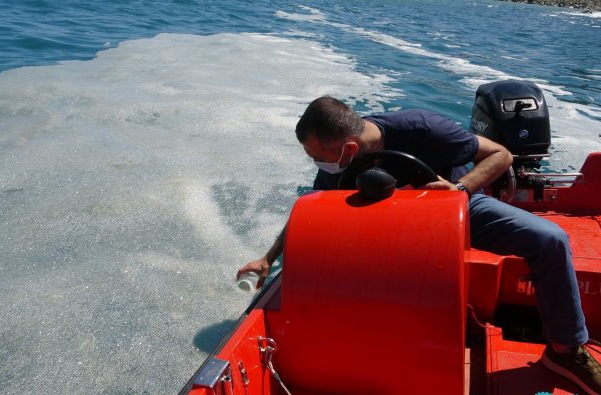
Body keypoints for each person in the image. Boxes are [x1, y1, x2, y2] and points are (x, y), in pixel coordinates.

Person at [236, 96, 600, 394]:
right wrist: (268, 258)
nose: (317, 165)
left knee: (549, 239)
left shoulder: (424, 129)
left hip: (455, 207)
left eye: (318, 157)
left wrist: (459, 190)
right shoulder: (337, 163)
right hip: (380, 222)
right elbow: (311, 210)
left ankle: (565, 350)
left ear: (348, 148)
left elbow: (501, 155)